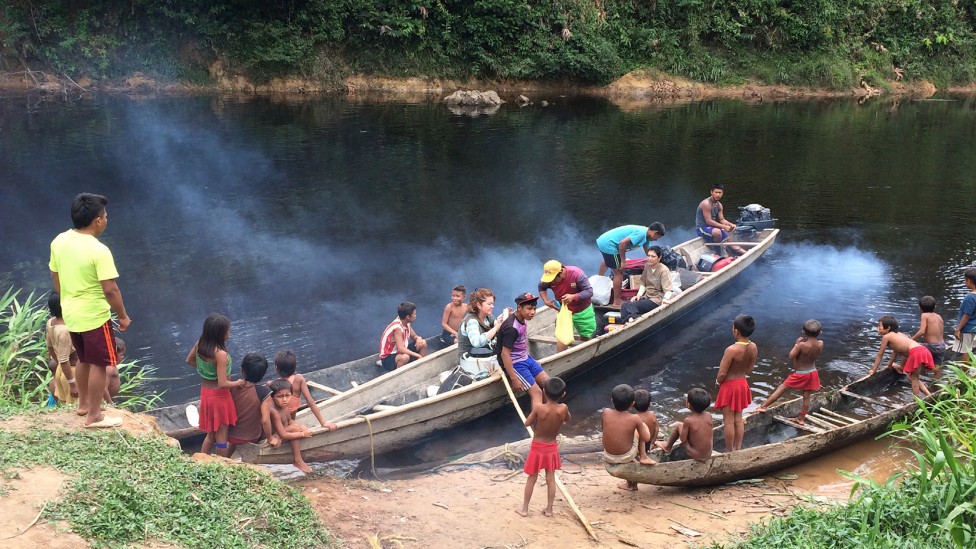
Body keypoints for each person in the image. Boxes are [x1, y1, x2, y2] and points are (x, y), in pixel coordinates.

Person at [49, 193, 130, 428]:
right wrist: (123, 316)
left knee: (83, 358)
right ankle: (94, 415)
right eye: (105, 216)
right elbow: (110, 289)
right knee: (100, 363)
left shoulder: (59, 241)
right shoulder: (99, 250)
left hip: (71, 313)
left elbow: (55, 274)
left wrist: (67, 298)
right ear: (97, 220)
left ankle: (84, 404)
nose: (106, 220)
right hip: (94, 316)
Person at [185, 313, 246, 455]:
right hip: (220, 398)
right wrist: (238, 382)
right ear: (220, 334)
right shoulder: (221, 354)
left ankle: (200, 459)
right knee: (222, 436)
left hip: (206, 394)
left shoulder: (200, 344)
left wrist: (206, 371)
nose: (229, 333)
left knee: (210, 434)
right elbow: (223, 383)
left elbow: (189, 360)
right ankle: (221, 463)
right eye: (227, 330)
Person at [517, 377, 571, 518]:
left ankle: (524, 509)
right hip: (551, 447)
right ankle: (549, 509)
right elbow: (567, 419)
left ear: (544, 392)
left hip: (537, 448)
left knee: (532, 478)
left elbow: (527, 423)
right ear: (563, 394)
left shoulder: (539, 408)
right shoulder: (563, 408)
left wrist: (535, 417)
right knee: (550, 479)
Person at [756, 320, 824, 424]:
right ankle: (801, 418)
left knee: (781, 388)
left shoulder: (801, 345)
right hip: (812, 372)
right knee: (806, 397)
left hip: (801, 374)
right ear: (820, 333)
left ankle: (764, 406)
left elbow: (791, 356)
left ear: (803, 332)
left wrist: (796, 344)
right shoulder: (820, 343)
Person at [596, 223, 666, 307]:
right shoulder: (641, 234)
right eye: (658, 237)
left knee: (608, 259)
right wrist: (623, 261)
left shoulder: (646, 236)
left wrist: (656, 263)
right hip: (608, 244)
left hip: (603, 241)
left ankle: (599, 279)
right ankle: (617, 301)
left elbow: (648, 252)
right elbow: (622, 243)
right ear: (655, 233)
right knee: (619, 272)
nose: (657, 240)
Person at [498, 293, 550, 408]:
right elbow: (504, 354)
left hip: (525, 358)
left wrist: (531, 360)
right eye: (529, 309)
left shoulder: (524, 319)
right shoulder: (512, 328)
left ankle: (548, 413)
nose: (532, 312)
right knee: (537, 393)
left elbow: (522, 342)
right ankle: (539, 417)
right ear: (519, 307)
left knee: (549, 385)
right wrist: (514, 379)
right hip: (515, 363)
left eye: (534, 309)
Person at [714, 315, 757, 452]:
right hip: (742, 384)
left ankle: (729, 450)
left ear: (736, 331)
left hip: (729, 387)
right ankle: (738, 447)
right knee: (738, 418)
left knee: (728, 421)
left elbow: (722, 373)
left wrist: (718, 382)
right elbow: (749, 369)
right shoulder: (753, 347)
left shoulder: (731, 350)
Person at [601, 384, 654, 491]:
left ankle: (630, 484)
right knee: (639, 429)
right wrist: (643, 425)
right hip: (626, 455)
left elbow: (603, 428)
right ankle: (643, 457)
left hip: (607, 454)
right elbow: (646, 438)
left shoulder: (606, 412)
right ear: (632, 404)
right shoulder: (635, 418)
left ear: (612, 401)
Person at [869, 315, 935, 397]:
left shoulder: (886, 337)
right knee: (912, 377)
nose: (878, 328)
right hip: (922, 349)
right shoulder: (899, 334)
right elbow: (895, 352)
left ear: (888, 328)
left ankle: (917, 400)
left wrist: (873, 370)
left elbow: (880, 354)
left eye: (880, 326)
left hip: (916, 352)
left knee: (914, 378)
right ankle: (929, 395)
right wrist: (889, 365)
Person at [538, 260, 596, 352]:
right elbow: (541, 287)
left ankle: (583, 353)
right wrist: (546, 301)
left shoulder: (576, 274)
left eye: (553, 279)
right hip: (565, 311)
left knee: (585, 335)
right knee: (562, 338)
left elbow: (589, 292)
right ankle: (560, 358)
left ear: (560, 273)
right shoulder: (549, 279)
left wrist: (573, 297)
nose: (552, 282)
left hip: (583, 309)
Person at [271, 350, 337, 430]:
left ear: (276, 368)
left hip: (279, 425)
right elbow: (310, 402)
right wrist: (323, 422)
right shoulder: (299, 379)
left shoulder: (272, 385)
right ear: (294, 367)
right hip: (289, 423)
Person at [223, 353, 273, 458]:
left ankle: (225, 457)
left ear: (243, 370)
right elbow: (265, 421)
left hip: (229, 435)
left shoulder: (232, 387)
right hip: (251, 438)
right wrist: (270, 438)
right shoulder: (264, 393)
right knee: (272, 414)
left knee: (234, 440)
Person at [267, 378, 314, 473]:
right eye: (280, 396)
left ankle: (298, 460)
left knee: (295, 426)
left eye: (288, 395)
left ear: (291, 394)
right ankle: (298, 460)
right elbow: (284, 435)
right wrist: (303, 434)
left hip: (282, 432)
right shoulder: (273, 411)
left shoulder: (284, 406)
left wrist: (300, 426)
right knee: (293, 428)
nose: (285, 400)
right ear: (272, 397)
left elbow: (290, 420)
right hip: (275, 435)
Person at [656, 387, 714, 460]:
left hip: (694, 454)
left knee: (678, 425)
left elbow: (683, 439)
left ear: (688, 404)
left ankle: (667, 447)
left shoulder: (688, 421)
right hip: (708, 454)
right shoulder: (709, 415)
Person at [619, 246, 674, 323]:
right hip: (647, 297)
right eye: (648, 256)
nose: (649, 258)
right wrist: (638, 295)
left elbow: (668, 289)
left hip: (657, 300)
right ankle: (630, 319)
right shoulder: (647, 266)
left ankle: (633, 319)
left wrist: (665, 300)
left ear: (659, 258)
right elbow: (643, 283)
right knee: (624, 306)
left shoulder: (663, 270)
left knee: (630, 306)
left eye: (653, 256)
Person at [45, 292, 78, 406]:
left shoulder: (51, 322)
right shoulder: (65, 331)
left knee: (66, 405)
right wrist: (72, 383)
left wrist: (59, 363)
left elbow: (50, 346)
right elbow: (64, 359)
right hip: (72, 373)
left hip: (61, 370)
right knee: (76, 406)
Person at [457, 288, 507, 363]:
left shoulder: (487, 316)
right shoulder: (471, 321)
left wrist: (502, 319)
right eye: (489, 304)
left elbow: (496, 324)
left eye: (492, 304)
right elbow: (477, 342)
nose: (492, 306)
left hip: (485, 359)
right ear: (479, 305)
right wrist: (496, 328)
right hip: (470, 363)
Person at [379, 302, 428, 371]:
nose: (415, 316)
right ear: (408, 317)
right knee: (405, 357)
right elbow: (401, 349)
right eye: (414, 314)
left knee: (423, 343)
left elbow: (414, 336)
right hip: (388, 358)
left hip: (399, 352)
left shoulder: (405, 322)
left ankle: (420, 368)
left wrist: (418, 338)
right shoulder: (397, 328)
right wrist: (417, 355)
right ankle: (399, 374)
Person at [912, 296, 946, 369]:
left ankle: (905, 369)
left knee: (911, 349)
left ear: (920, 307)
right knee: (937, 366)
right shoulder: (939, 316)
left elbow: (922, 331)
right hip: (942, 346)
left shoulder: (924, 315)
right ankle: (936, 376)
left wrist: (911, 340)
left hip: (931, 346)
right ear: (935, 306)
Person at [953, 268, 976, 359]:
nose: (964, 282)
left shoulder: (970, 297)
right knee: (970, 349)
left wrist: (958, 329)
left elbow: (966, 315)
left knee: (965, 350)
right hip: (974, 328)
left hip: (967, 329)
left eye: (965, 280)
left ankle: (963, 368)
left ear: (969, 281)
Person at [633, 389, 659, 455]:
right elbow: (656, 429)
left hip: (638, 447)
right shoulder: (652, 414)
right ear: (649, 404)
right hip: (648, 444)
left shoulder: (634, 419)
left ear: (633, 404)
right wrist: (652, 443)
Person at [103, 337, 124, 405]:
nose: (123, 357)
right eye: (121, 355)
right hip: (105, 400)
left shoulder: (112, 366)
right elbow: (103, 388)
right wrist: (110, 403)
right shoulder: (109, 368)